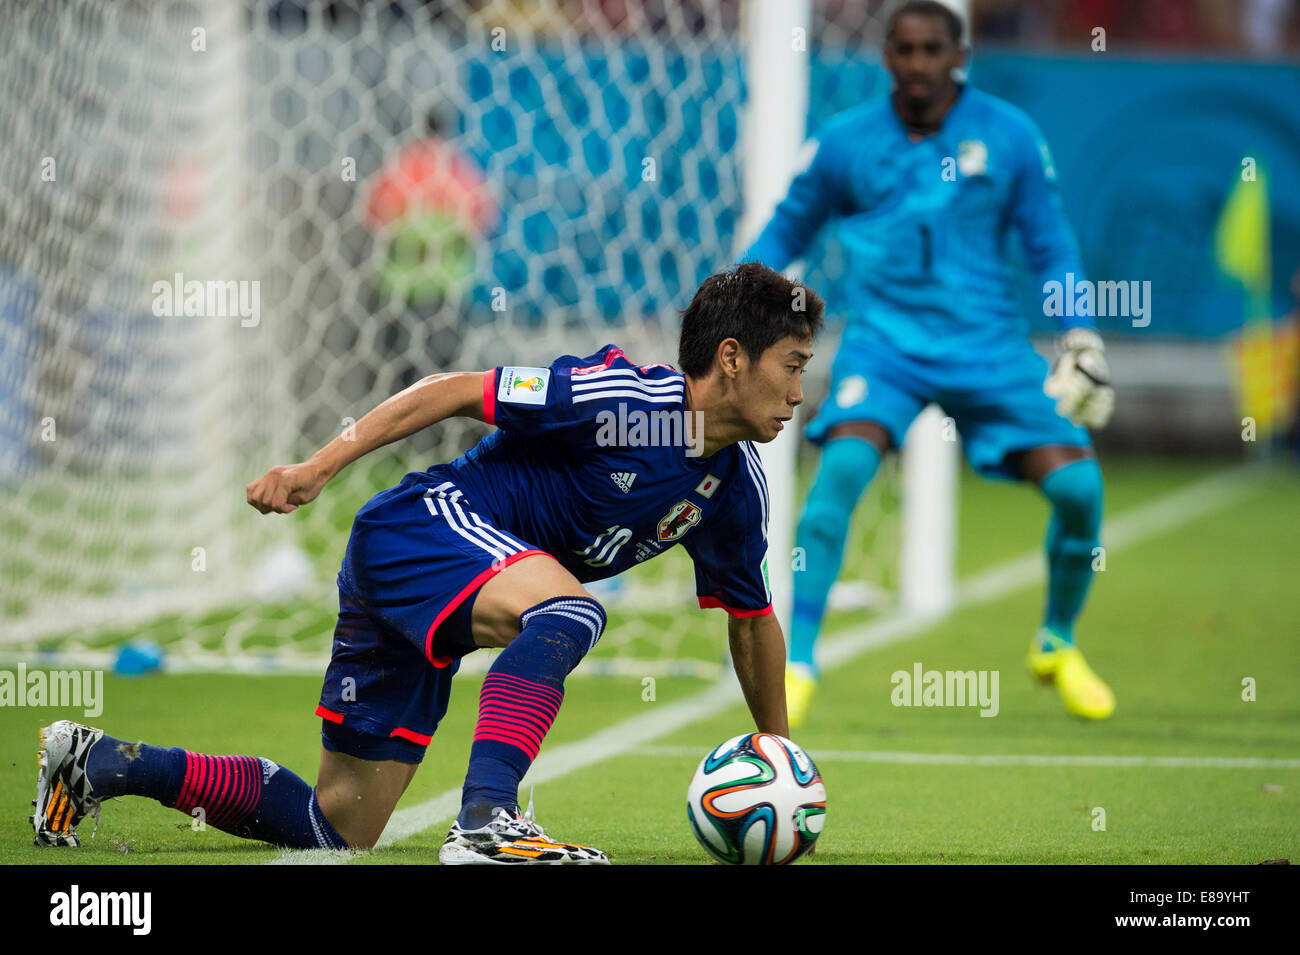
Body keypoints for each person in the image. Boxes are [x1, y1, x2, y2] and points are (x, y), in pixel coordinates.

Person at [31, 263, 822, 864]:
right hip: (420, 526)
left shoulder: (731, 491)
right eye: (791, 364)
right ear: (730, 358)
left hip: (436, 588)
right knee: (569, 610)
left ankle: (97, 761)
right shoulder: (622, 400)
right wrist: (320, 465)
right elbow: (453, 389)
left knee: (335, 827)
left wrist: (777, 753)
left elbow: (752, 620)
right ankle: (485, 821)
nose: (799, 391)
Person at [743, 0, 1115, 726]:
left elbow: (1049, 242)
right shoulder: (847, 142)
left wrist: (1079, 332)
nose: (916, 64)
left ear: (959, 56)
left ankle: (1058, 641)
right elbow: (786, 228)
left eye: (931, 50)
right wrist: (732, 303)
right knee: (836, 481)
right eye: (903, 50)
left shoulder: (1008, 135)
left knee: (1081, 490)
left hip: (990, 350)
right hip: (886, 348)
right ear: (886, 57)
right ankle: (799, 662)